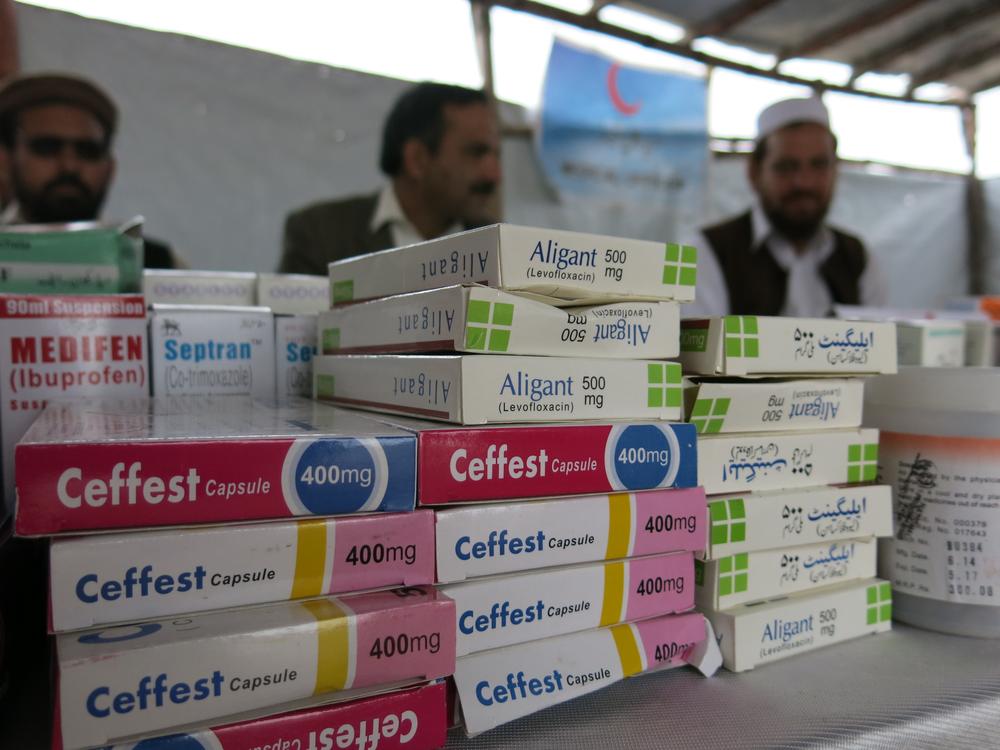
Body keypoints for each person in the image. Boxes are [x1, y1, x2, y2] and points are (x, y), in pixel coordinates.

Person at [689, 96, 886, 317]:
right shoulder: (711, 252)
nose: (804, 182)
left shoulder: (857, 258)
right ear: (754, 172)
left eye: (819, 165)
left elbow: (877, 334)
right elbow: (700, 337)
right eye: (786, 167)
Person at [278, 82, 502, 274]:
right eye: (476, 153)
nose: (495, 175)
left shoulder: (501, 246)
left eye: (496, 155)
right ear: (417, 160)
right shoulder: (321, 235)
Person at [0, 72, 181, 268]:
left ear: (110, 168)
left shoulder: (159, 264)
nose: (69, 166)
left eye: (88, 151)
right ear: (6, 161)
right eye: (47, 148)